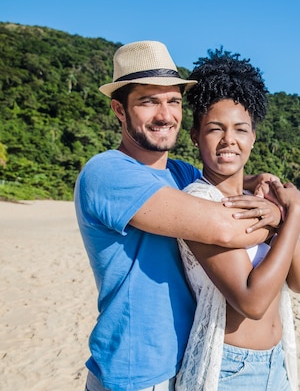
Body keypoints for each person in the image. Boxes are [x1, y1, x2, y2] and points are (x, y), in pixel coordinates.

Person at [75, 41, 285, 391]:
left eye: (173, 101)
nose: (164, 114)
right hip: (135, 371)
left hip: (187, 360)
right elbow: (226, 228)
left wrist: (254, 181)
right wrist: (281, 215)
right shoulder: (108, 172)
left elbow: (222, 179)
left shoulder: (179, 174)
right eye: (148, 101)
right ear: (119, 109)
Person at [174, 48, 300, 391]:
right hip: (229, 369)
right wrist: (292, 214)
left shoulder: (258, 202)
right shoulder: (199, 201)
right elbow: (251, 301)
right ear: (195, 136)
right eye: (214, 129)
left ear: (253, 137)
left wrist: (279, 221)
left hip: (277, 361)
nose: (229, 140)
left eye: (240, 129)